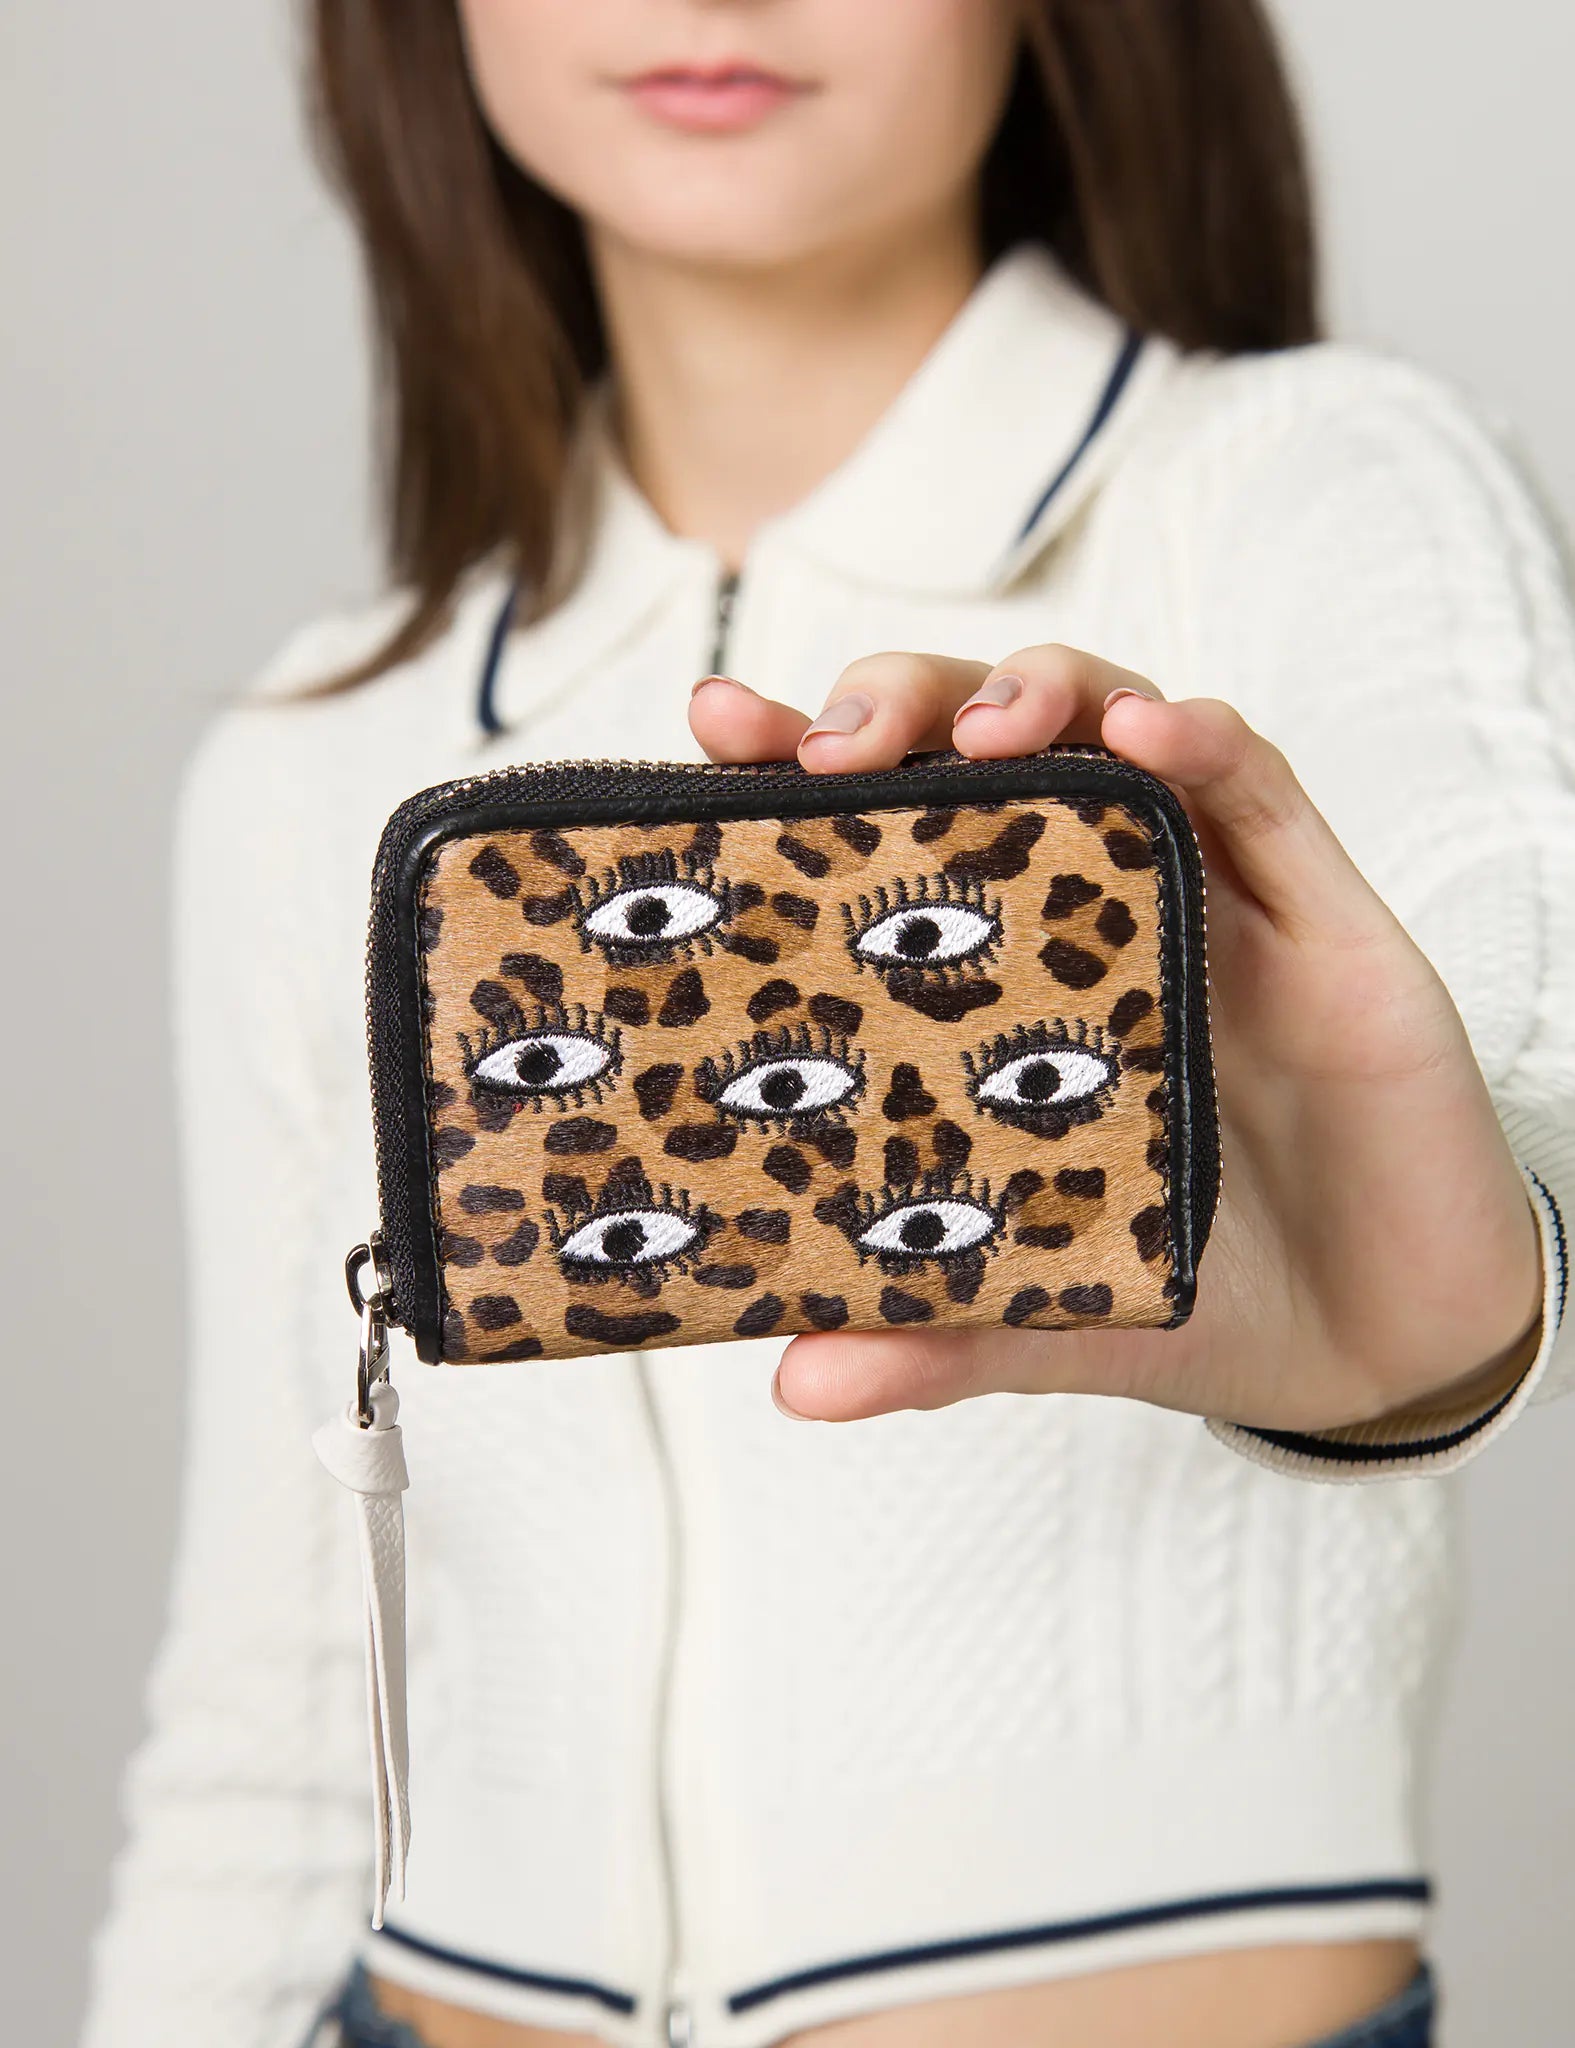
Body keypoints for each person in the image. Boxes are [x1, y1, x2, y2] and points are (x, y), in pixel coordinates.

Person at [82, 4, 1575, 2047]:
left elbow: (1525, 1061)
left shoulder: (1312, 489)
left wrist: (1450, 1294)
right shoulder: (319, 748)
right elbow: (281, 1699)